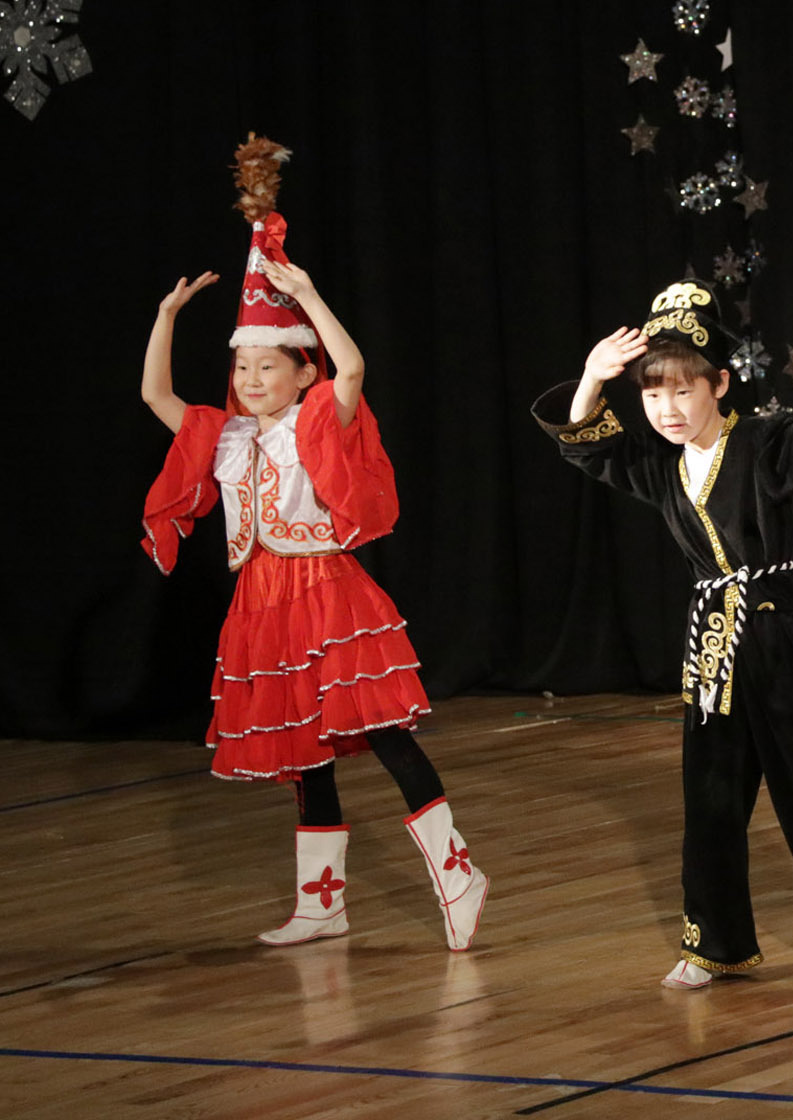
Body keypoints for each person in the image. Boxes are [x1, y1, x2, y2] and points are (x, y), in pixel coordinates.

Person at [532, 279, 793, 993]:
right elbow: (592, 452)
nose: (666, 410)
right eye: (652, 395)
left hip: (775, 632)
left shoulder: (763, 440)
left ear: (719, 384)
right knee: (711, 797)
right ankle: (712, 943)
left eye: (682, 392)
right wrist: (593, 382)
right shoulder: (661, 465)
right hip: (711, 650)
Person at [139, 136, 487, 952]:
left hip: (325, 590)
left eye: (270, 367)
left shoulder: (315, 418)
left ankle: (459, 872)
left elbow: (355, 367)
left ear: (301, 374)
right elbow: (156, 394)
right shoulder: (224, 439)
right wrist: (164, 318)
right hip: (261, 602)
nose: (254, 381)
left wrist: (309, 294)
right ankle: (321, 902)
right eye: (245, 370)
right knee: (305, 751)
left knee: (382, 731)